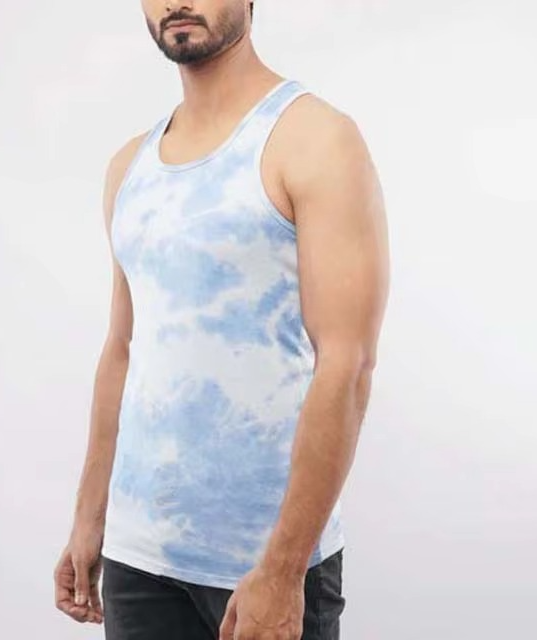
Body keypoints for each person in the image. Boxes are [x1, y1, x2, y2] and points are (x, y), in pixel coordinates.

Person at [53, 1, 390, 638]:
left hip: (265, 562)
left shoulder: (314, 139)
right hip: (138, 559)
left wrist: (284, 570)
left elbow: (347, 364)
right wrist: (90, 518)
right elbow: (122, 348)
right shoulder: (129, 166)